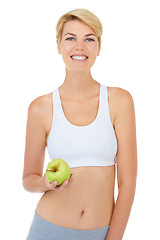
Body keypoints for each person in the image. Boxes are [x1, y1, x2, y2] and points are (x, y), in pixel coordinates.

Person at [23, 8, 137, 240]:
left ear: (99, 47)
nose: (79, 47)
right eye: (70, 38)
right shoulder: (41, 108)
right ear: (58, 45)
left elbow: (128, 183)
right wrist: (45, 183)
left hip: (101, 231)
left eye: (89, 39)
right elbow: (28, 179)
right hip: (48, 227)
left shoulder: (119, 101)